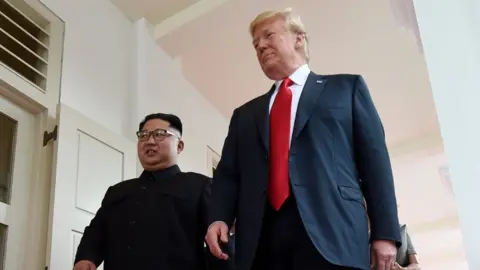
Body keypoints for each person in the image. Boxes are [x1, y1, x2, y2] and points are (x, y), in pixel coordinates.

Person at [205, 7, 401, 270]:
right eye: (255, 44)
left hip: (335, 232)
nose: (261, 46)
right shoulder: (245, 115)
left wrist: (385, 233)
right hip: (262, 242)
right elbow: (228, 174)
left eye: (269, 35)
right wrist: (218, 216)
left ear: (298, 38)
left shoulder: (346, 88)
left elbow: (375, 164)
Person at [73, 113, 211, 270]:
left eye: (159, 135)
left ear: (179, 146)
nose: (150, 141)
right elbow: (96, 233)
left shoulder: (200, 185)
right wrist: (85, 258)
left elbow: (219, 242)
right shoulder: (117, 191)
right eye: (143, 136)